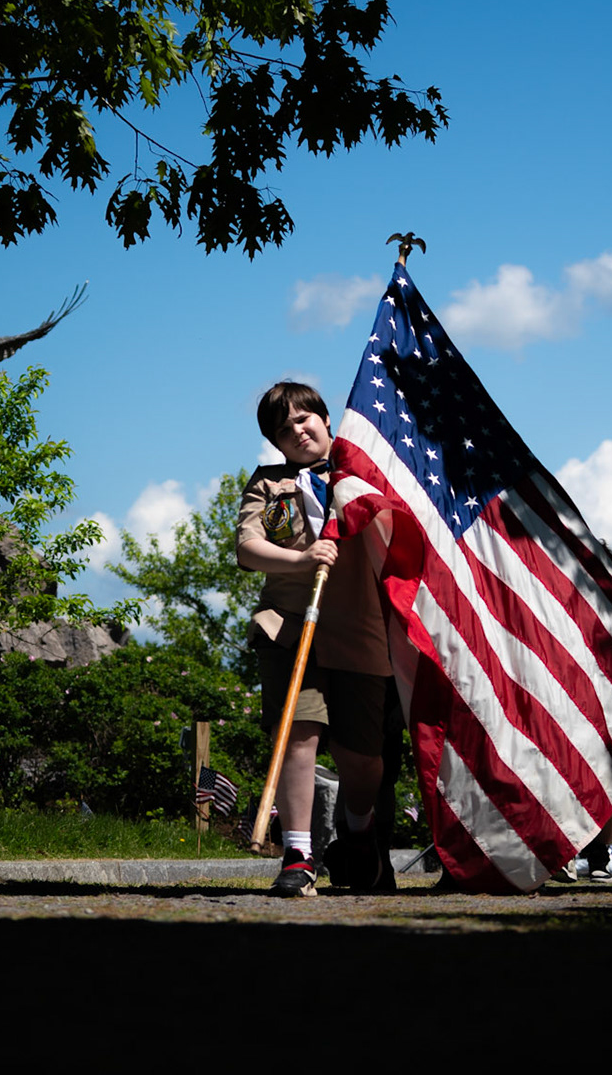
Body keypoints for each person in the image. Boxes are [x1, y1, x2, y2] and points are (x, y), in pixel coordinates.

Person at [237, 381, 392, 896]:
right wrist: (302, 559)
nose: (297, 431)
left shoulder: (367, 470)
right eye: (284, 429)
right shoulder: (268, 485)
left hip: (361, 627)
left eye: (304, 419)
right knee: (297, 736)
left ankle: (358, 827)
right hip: (289, 625)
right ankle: (299, 855)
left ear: (325, 419)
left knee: (362, 755)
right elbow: (249, 547)